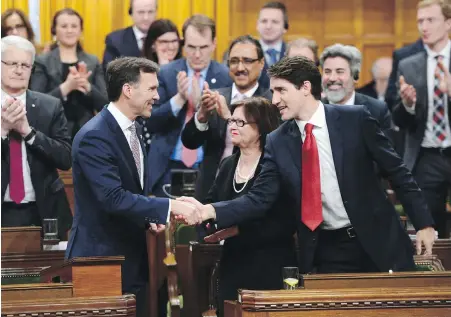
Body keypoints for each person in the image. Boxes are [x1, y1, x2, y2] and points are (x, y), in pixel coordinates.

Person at [180, 56, 436, 275]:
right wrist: (211, 210)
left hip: (379, 240)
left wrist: (424, 224)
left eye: (281, 90)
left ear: (305, 87)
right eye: (273, 91)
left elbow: (398, 172)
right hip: (327, 248)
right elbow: (259, 198)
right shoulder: (278, 141)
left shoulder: (354, 119)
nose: (275, 99)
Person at [65, 57, 200, 317]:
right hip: (100, 259)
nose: (157, 96)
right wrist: (170, 206)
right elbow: (113, 198)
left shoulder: (135, 128)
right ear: (128, 90)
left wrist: (148, 217)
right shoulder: (95, 135)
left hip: (133, 256)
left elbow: (133, 192)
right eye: (151, 89)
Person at [200, 97, 297, 317]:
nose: (232, 126)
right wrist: (206, 224)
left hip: (271, 262)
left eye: (240, 122)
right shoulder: (227, 165)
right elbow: (211, 204)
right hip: (233, 261)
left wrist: (238, 230)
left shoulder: (274, 164)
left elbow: (284, 221)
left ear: (261, 127)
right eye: (231, 121)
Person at [144, 14, 232, 197]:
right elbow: (150, 122)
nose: (197, 54)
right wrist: (179, 99)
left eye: (203, 47)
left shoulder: (226, 76)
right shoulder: (166, 73)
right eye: (191, 47)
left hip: (207, 169)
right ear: (183, 44)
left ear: (214, 43)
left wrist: (205, 105)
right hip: (168, 167)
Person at [181, 35, 272, 202]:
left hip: (250, 192)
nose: (240, 67)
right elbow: (189, 142)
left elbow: (267, 146)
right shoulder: (215, 96)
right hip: (210, 190)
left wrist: (229, 117)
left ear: (261, 64)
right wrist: (201, 117)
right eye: (234, 61)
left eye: (247, 61)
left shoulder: (271, 102)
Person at [1, 35, 73, 240]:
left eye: (25, 65)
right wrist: (3, 131)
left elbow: (65, 158)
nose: (18, 69)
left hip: (44, 210)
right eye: (12, 63)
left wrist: (29, 133)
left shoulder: (49, 106)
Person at [393, 0, 451, 238]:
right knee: (428, 227)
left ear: (448, 23)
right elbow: (395, 118)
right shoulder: (408, 63)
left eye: (431, 20)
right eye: (420, 21)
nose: (424, 26)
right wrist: (407, 105)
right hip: (425, 155)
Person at [30, 8, 108, 140]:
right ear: (54, 31)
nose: (69, 30)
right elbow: (36, 103)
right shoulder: (42, 61)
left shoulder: (92, 61)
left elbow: (105, 103)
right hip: (52, 133)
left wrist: (87, 86)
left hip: (87, 133)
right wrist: (66, 87)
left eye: (74, 26)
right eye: (64, 26)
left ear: (80, 30)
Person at [320, 44, 392, 137]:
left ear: (355, 76)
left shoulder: (376, 111)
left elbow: (386, 150)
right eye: (327, 72)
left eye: (340, 71)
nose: (332, 78)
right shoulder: (312, 110)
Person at [102, 0, 157, 71]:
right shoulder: (115, 40)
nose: (146, 17)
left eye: (150, 12)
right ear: (131, 13)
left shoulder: (165, 39)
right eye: (141, 12)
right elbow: (108, 73)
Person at [256, 1, 289, 89]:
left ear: (285, 27)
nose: (268, 26)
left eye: (275, 22)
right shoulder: (246, 53)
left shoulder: (293, 54)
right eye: (264, 21)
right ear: (257, 25)